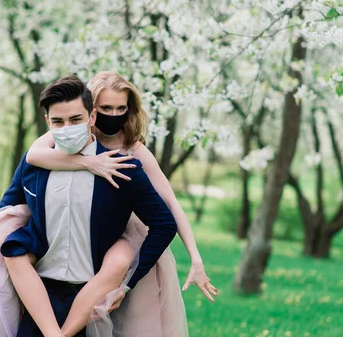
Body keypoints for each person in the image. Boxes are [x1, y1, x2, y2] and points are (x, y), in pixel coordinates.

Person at [18, 71, 217, 336]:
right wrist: (89, 162)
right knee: (16, 255)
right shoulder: (68, 131)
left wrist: (195, 257)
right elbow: (34, 155)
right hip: (73, 226)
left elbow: (169, 203)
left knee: (119, 267)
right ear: (93, 111)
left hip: (123, 229)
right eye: (106, 108)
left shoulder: (132, 150)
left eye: (121, 108)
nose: (114, 114)